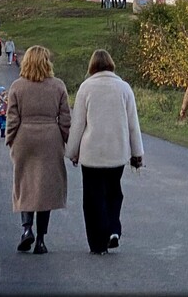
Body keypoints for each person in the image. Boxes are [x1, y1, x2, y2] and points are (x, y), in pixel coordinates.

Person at [65, 49, 144, 255]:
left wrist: (72, 151)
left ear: (92, 66)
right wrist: (137, 153)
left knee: (92, 199)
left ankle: (97, 243)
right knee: (113, 192)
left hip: (91, 154)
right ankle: (113, 229)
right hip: (117, 152)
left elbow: (78, 124)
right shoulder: (124, 88)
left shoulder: (86, 88)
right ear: (111, 64)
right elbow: (133, 124)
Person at [5, 46, 71, 254]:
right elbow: (65, 118)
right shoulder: (58, 86)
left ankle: (26, 230)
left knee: (24, 183)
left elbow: (12, 118)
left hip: (25, 137)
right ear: (47, 62)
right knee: (46, 188)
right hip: (50, 138)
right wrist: (65, 139)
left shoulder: (17, 86)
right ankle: (41, 239)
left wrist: (11, 139)